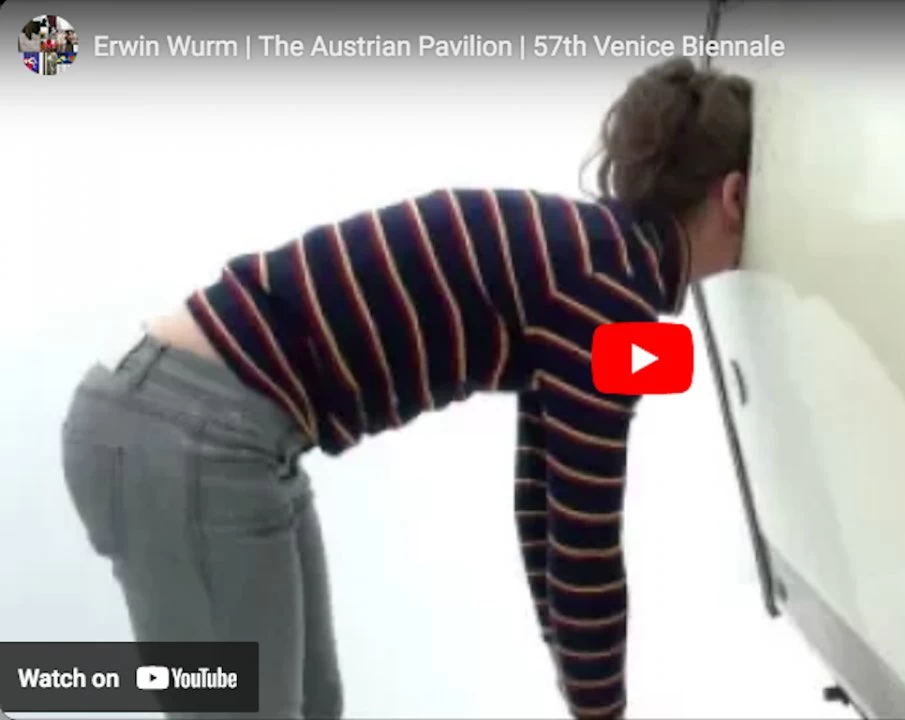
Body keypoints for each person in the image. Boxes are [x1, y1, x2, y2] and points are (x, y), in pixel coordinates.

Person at [59, 56, 751, 719]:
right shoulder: (610, 296)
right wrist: (600, 708)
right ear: (735, 195)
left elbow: (544, 507)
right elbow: (583, 543)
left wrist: (586, 698)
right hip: (187, 428)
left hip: (215, 428)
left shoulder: (592, 261)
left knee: (315, 707)